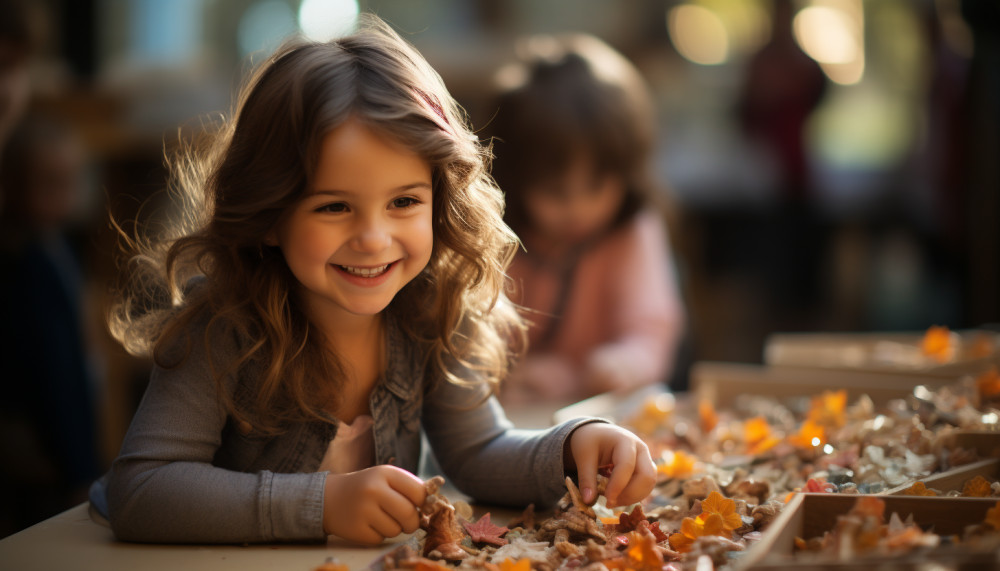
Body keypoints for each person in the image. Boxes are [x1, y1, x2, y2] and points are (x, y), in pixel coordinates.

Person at [87, 15, 656, 546]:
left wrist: (573, 446)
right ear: (267, 216)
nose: (373, 239)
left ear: (439, 204)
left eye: (404, 202)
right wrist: (323, 504)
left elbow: (480, 451)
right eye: (334, 207)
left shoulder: (433, 310)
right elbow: (143, 491)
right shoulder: (223, 328)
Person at [486, 34, 686, 405]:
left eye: (596, 186)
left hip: (608, 413)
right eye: (554, 191)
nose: (577, 208)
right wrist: (508, 371)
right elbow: (468, 340)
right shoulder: (493, 237)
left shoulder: (632, 229)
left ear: (628, 171)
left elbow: (651, 329)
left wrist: (624, 364)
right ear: (512, 177)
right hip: (515, 420)